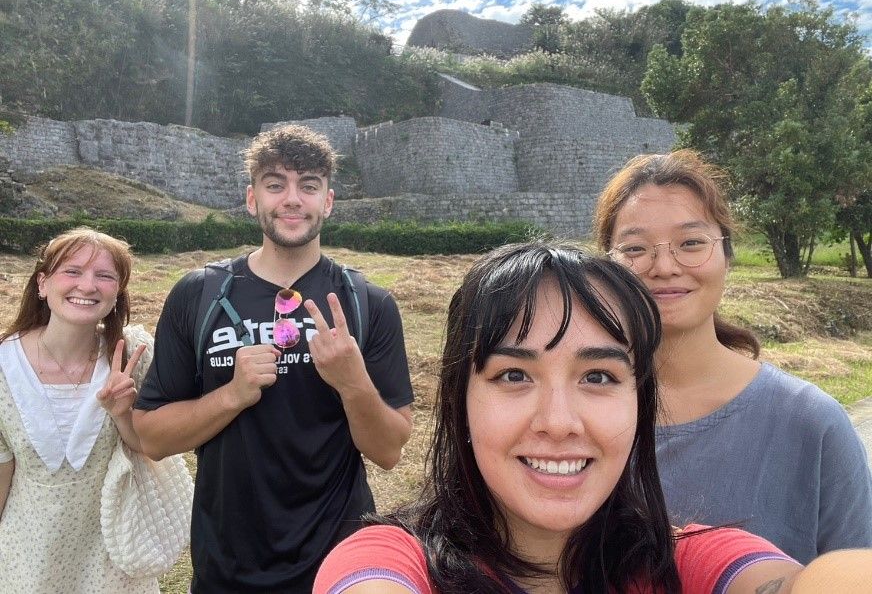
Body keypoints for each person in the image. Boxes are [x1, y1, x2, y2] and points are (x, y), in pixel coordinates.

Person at [314, 240, 872, 594]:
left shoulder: (695, 564)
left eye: (599, 377)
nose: (559, 422)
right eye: (514, 375)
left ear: (640, 404)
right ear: (460, 401)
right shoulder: (388, 562)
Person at [132, 124, 414, 593]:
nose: (292, 199)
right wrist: (232, 396)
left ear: (327, 201)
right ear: (251, 199)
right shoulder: (200, 293)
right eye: (275, 184)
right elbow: (153, 437)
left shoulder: (367, 303)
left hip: (336, 563)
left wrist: (352, 380)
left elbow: (388, 451)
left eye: (308, 185)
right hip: (227, 563)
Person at [593, 149, 872, 563]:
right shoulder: (577, 414)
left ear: (727, 256)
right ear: (606, 267)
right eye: (635, 249)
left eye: (691, 243)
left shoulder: (811, 423)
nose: (664, 266)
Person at [0, 227, 156, 593]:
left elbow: (149, 448)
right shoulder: (4, 367)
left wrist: (122, 413)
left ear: (117, 293)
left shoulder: (136, 355)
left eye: (104, 275)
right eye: (72, 271)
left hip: (114, 560)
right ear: (42, 284)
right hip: (27, 561)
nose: (87, 286)